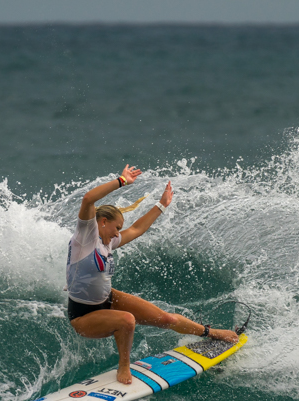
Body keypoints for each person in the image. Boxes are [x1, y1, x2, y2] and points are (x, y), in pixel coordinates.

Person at [66, 165, 239, 385]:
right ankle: (124, 367)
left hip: (107, 299)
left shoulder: (108, 241)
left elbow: (137, 229)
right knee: (127, 320)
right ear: (102, 222)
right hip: (83, 314)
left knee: (166, 318)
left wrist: (162, 205)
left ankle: (211, 333)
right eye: (116, 227)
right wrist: (121, 181)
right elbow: (89, 198)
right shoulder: (84, 238)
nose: (118, 233)